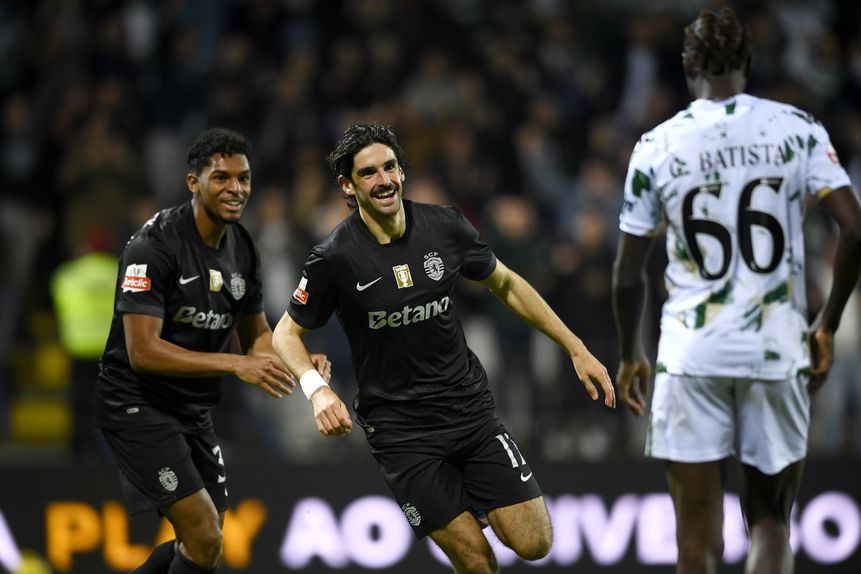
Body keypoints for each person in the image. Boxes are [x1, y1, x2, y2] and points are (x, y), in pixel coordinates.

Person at [272, 123, 615, 573]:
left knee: (535, 542)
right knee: (476, 560)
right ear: (348, 185)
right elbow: (285, 333)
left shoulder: (445, 226)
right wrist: (317, 390)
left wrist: (575, 348)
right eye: (370, 173)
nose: (385, 180)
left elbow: (506, 283)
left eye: (391, 167)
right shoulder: (334, 257)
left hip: (469, 412)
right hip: (401, 433)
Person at [612, 7, 861, 574]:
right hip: (776, 348)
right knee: (770, 521)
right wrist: (827, 325)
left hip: (691, 352)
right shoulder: (796, 128)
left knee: (696, 543)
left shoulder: (657, 144)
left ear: (685, 65)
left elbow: (629, 273)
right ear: (748, 62)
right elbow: (855, 229)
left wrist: (631, 353)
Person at [95, 127, 330, 574]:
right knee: (202, 529)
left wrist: (298, 363)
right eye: (221, 178)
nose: (235, 189)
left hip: (192, 409)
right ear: (193, 182)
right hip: (136, 403)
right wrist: (234, 364)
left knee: (206, 546)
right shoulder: (153, 246)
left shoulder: (243, 247)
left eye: (243, 179)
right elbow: (142, 351)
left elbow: (258, 335)